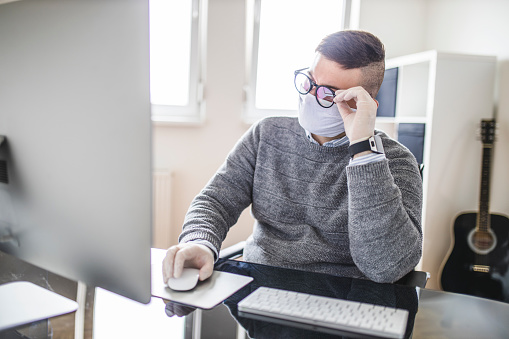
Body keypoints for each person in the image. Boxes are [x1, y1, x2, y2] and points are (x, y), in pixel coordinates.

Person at [162, 30, 423, 285]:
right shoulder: (267, 133)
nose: (309, 96)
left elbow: (387, 267)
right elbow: (216, 200)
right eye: (309, 81)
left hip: (345, 302)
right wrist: (199, 242)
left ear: (363, 104)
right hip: (262, 290)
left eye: (327, 94)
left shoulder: (396, 161)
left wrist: (364, 152)